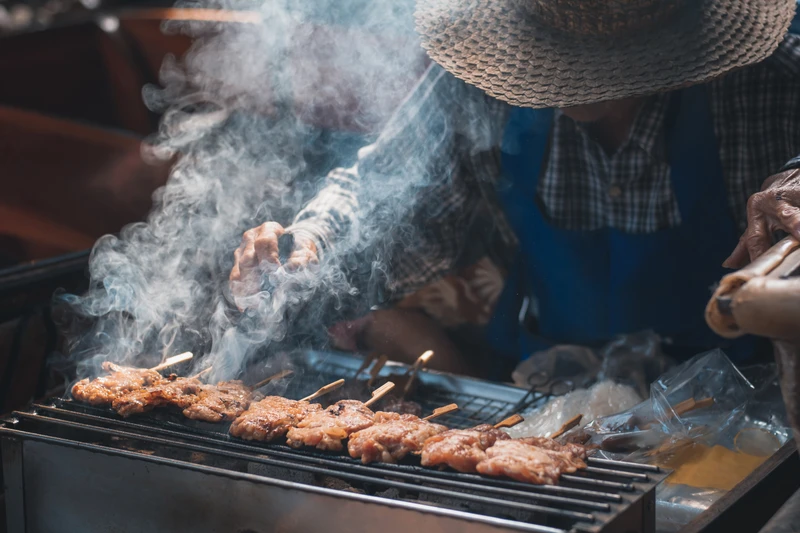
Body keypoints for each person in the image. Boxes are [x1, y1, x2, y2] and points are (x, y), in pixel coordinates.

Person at [231, 0, 800, 378]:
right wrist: (310, 245)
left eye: (596, 54)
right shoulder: (487, 78)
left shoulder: (767, 81)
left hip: (736, 400)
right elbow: (379, 192)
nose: (567, 75)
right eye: (553, 51)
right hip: (545, 387)